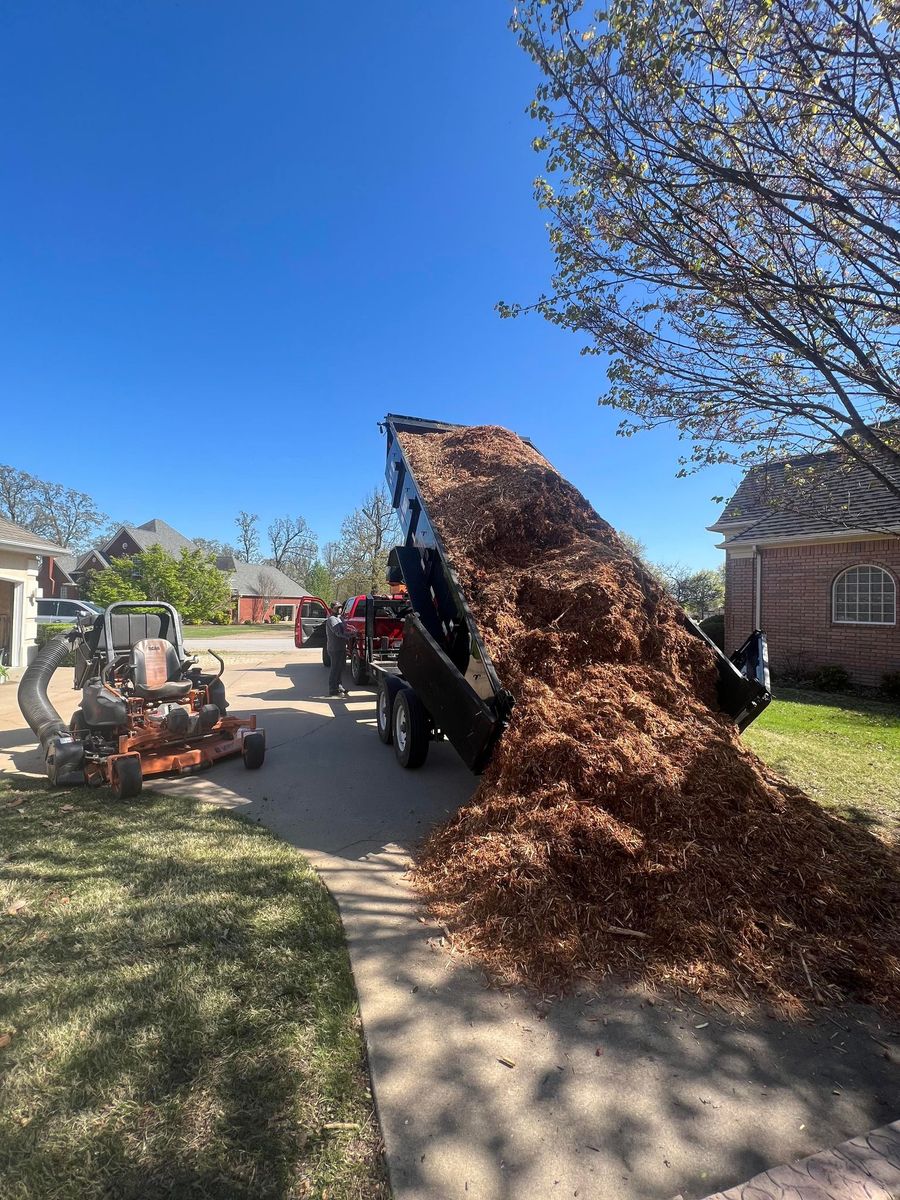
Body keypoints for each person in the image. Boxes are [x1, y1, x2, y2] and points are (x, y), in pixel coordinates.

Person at [325, 602, 354, 696]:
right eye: (337, 608)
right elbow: (338, 633)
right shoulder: (332, 619)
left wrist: (352, 630)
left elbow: (345, 628)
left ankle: (339, 686)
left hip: (341, 647)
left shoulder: (340, 618)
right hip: (334, 648)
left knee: (341, 667)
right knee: (335, 669)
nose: (340, 609)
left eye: (341, 607)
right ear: (332, 608)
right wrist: (349, 636)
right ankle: (333, 689)